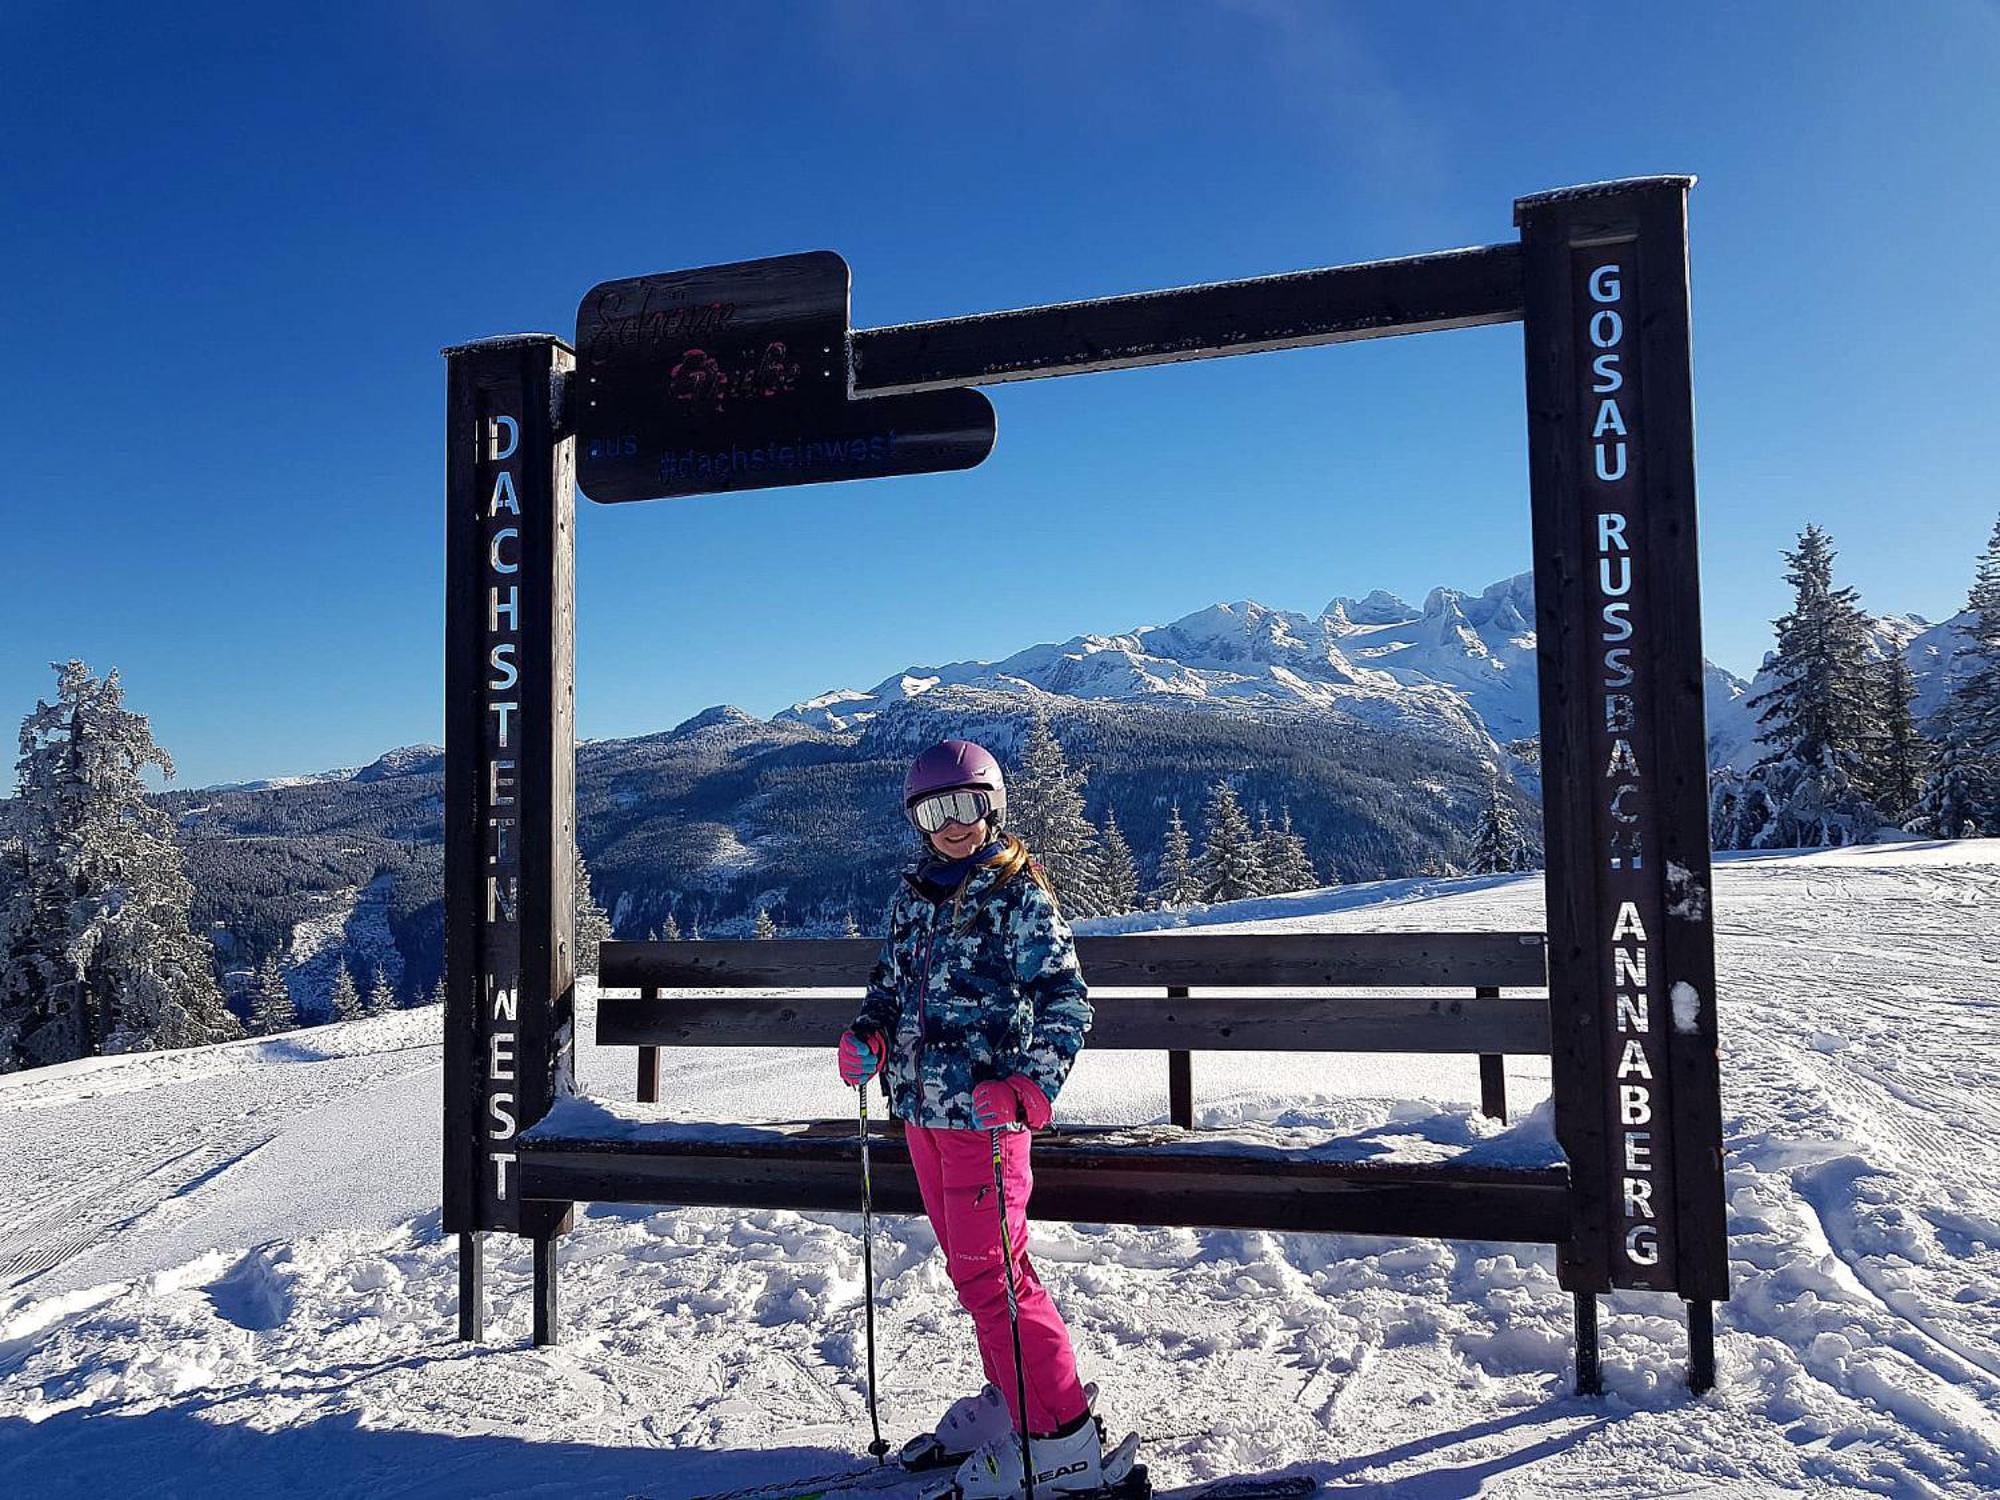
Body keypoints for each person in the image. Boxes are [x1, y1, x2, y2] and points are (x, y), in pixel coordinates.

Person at [836, 738, 1117, 1499]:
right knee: (973, 1272)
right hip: (923, 1113)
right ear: (918, 820)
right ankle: (1014, 1403)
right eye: (937, 810)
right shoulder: (911, 898)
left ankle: (1058, 1438)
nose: (954, 824)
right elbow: (886, 991)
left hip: (988, 1122)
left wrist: (1032, 1085)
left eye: (968, 806)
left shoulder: (1016, 894)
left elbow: (1067, 998)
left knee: (997, 1274)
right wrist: (868, 1035)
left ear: (992, 807)